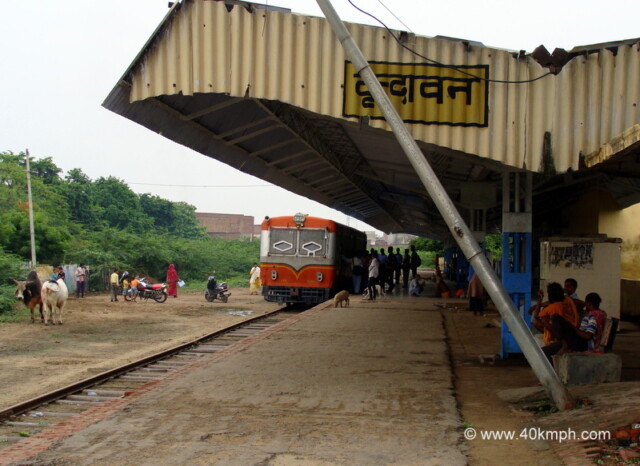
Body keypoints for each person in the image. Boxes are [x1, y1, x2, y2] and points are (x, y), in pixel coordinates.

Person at [531, 282, 579, 359]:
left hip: (566, 335)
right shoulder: (568, 300)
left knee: (542, 321)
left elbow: (536, 316)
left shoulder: (554, 307)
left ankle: (562, 343)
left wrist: (539, 299)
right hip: (573, 329)